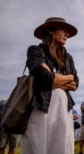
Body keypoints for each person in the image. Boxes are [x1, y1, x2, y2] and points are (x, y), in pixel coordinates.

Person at [20, 17, 79, 154]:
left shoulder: (68, 57)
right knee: (40, 146)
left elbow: (75, 83)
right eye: (64, 30)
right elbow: (46, 78)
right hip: (41, 108)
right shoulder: (35, 51)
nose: (67, 34)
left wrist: (59, 78)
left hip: (64, 109)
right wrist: (61, 79)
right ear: (51, 30)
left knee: (63, 144)